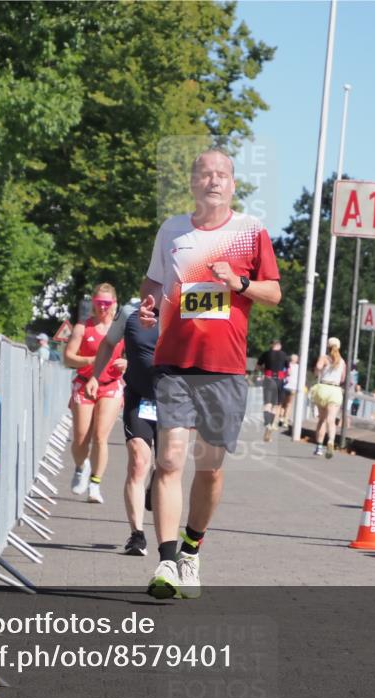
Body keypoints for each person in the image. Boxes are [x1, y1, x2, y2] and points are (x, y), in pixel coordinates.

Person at [138, 148, 281, 599]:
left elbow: (274, 293)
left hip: (225, 368)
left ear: (233, 184)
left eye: (222, 175)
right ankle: (165, 564)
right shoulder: (172, 230)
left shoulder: (250, 232)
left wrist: (237, 283)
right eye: (205, 174)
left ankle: (191, 550)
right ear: (193, 182)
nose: (213, 181)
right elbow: (155, 283)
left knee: (211, 470)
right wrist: (147, 304)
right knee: (169, 461)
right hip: (174, 362)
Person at [87, 299, 160, 556]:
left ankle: (156, 484)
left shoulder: (187, 308)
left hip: (173, 401)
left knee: (166, 466)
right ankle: (137, 535)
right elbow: (109, 343)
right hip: (139, 397)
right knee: (139, 460)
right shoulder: (130, 311)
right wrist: (96, 375)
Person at [63, 283, 127, 503]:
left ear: (114, 304)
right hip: (84, 384)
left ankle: (95, 484)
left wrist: (126, 363)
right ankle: (82, 466)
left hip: (110, 385)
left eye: (107, 304)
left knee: (101, 436)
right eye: (99, 303)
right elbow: (68, 358)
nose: (102, 308)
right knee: (81, 439)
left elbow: (138, 355)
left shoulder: (122, 329)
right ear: (93, 302)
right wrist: (92, 360)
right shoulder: (83, 328)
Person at [309, 337, 346, 458]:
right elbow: (342, 379)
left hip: (323, 388)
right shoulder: (342, 362)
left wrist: (317, 371)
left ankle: (319, 447)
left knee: (322, 419)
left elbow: (318, 369)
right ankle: (331, 441)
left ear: (328, 346)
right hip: (335, 390)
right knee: (331, 419)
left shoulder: (324, 358)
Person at [256, 339, 288, 441]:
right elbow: (288, 370)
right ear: (279, 345)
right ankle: (270, 425)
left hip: (268, 379)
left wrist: (264, 370)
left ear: (271, 345)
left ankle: (267, 423)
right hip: (279, 381)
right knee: (275, 405)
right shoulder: (284, 355)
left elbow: (257, 367)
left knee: (267, 404)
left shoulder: (266, 354)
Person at [280, 353, 300, 428]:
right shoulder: (299, 367)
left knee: (282, 403)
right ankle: (285, 420)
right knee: (289, 404)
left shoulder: (285, 366)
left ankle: (281, 417)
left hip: (285, 386)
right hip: (293, 387)